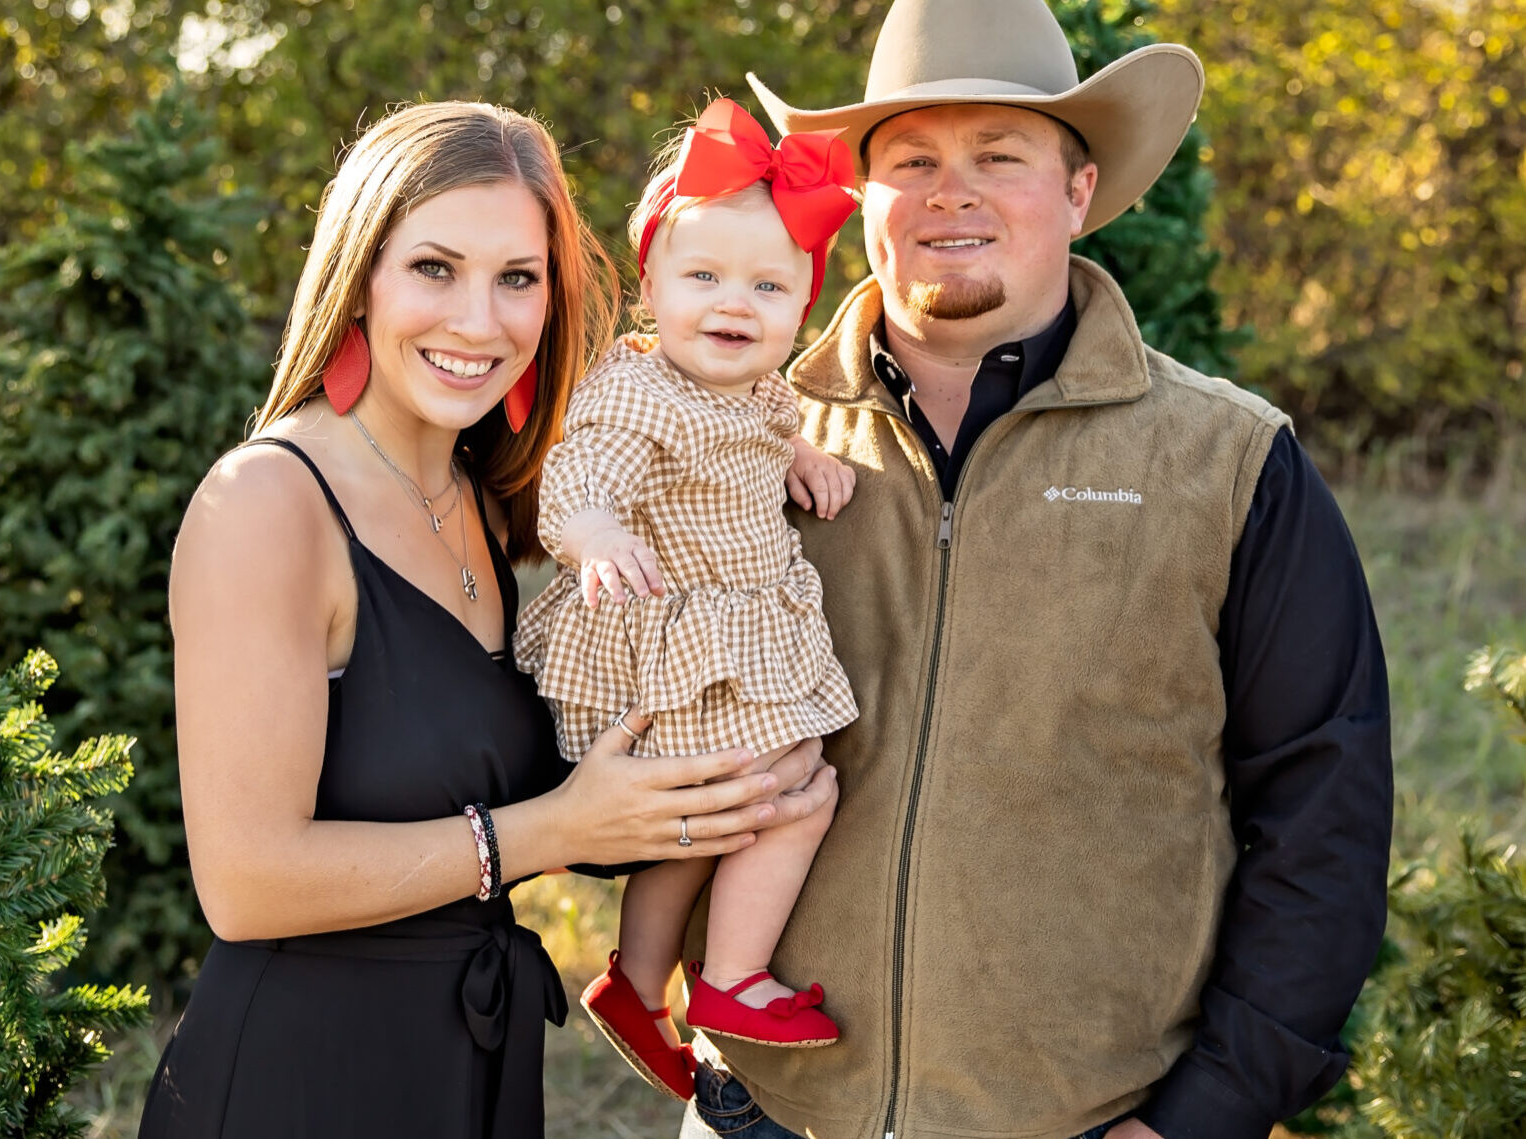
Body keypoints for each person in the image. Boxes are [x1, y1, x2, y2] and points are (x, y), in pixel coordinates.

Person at [677, 1, 1395, 1138]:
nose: (948, 192)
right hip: (759, 1112)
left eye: (997, 156)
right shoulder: (727, 438)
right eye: (911, 159)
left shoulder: (1227, 461)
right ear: (862, 195)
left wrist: (1204, 1114)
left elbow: (1323, 815)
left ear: (1076, 190)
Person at [135, 100, 836, 1139]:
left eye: (518, 278)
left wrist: (716, 790)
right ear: (358, 276)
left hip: (477, 1070)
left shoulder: (488, 500)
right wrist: (556, 829)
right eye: (433, 267)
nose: (479, 321)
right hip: (307, 1082)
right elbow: (245, 883)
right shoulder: (268, 504)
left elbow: (522, 788)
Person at [513, 99, 863, 1102]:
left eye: (767, 283)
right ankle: (729, 981)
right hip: (673, 638)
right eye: (702, 275)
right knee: (794, 788)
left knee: (709, 816)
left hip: (729, 633)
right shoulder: (639, 394)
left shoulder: (757, 392)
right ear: (651, 282)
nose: (733, 302)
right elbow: (580, 477)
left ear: (802, 304)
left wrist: (795, 454)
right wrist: (593, 536)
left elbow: (751, 432)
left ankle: (633, 979)